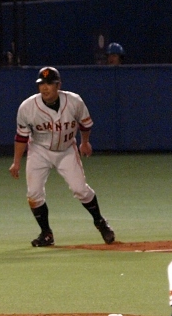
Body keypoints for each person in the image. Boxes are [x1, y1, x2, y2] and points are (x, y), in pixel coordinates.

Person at [9, 66, 115, 247]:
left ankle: (100, 222)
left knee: (80, 189)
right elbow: (21, 137)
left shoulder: (74, 101)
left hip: (66, 149)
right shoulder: (27, 107)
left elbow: (85, 124)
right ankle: (46, 233)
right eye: (41, 83)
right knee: (34, 194)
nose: (45, 87)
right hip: (39, 151)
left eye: (50, 83)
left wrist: (84, 142)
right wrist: (16, 162)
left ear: (58, 85)